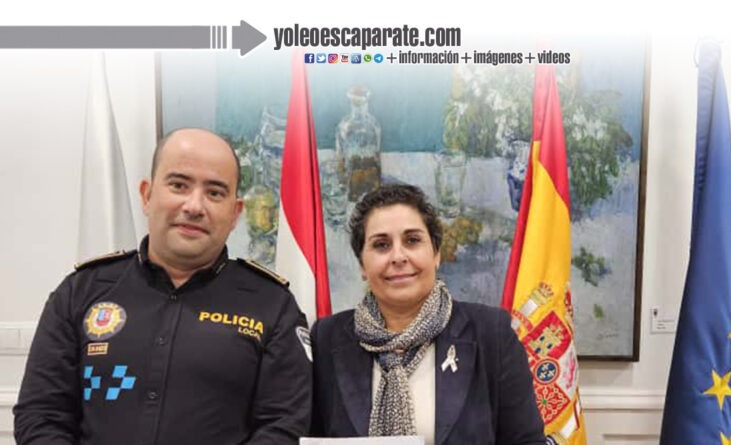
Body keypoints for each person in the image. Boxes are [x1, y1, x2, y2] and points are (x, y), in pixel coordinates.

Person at [14, 128, 312, 445]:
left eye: (215, 193)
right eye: (179, 185)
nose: (194, 206)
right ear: (147, 195)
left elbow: (283, 426)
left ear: (235, 212)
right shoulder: (81, 292)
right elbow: (41, 416)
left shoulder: (272, 305)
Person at [311, 184, 547, 444]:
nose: (398, 256)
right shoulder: (326, 338)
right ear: (362, 265)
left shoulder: (491, 333)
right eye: (381, 245)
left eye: (412, 240)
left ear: (436, 254)